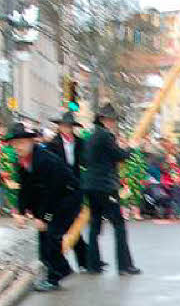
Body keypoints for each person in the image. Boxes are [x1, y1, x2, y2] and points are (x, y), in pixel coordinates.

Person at [4, 121, 82, 292]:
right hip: (48, 199)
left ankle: (55, 276)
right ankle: (60, 270)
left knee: (52, 235)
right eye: (15, 143)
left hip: (67, 199)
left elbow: (54, 191)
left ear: (32, 142)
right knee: (44, 238)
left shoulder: (45, 159)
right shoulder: (22, 161)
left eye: (22, 142)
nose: (18, 147)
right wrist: (20, 211)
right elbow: (25, 188)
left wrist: (44, 217)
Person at [81, 103, 141, 276]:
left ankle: (93, 264)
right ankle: (124, 265)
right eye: (111, 120)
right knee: (119, 225)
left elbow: (85, 160)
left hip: (91, 186)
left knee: (94, 225)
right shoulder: (106, 136)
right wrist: (132, 147)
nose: (113, 123)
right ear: (104, 120)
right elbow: (120, 156)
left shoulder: (91, 137)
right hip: (105, 187)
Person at [47, 111, 88, 270]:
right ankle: (68, 262)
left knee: (74, 224)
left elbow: (84, 161)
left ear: (73, 128)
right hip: (60, 187)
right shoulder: (53, 144)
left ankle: (83, 261)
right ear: (59, 127)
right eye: (64, 126)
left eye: (69, 126)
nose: (66, 129)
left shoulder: (80, 143)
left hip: (76, 186)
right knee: (64, 226)